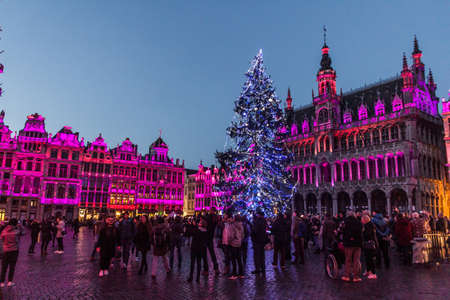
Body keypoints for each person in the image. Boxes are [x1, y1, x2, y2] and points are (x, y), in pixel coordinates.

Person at [341, 211, 362, 282]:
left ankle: (347, 276)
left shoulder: (345, 222)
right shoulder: (359, 222)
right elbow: (361, 232)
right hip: (358, 244)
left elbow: (342, 231)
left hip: (348, 244)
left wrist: (349, 237)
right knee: (356, 260)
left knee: (348, 259)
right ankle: (356, 277)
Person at [186, 218, 208, 282]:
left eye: (200, 223)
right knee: (199, 263)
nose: (199, 223)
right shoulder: (205, 231)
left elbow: (189, 233)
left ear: (201, 224)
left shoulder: (197, 230)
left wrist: (192, 225)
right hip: (201, 249)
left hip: (194, 248)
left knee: (192, 263)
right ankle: (197, 278)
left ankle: (191, 277)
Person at [0, 219, 20, 287]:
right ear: (16, 224)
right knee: (12, 267)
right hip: (14, 251)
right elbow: (24, 232)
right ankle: (9, 281)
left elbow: (1, 240)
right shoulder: (16, 231)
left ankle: (2, 282)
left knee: (3, 267)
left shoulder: (4, 231)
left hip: (5, 251)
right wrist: (20, 226)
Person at [251, 209, 268, 274]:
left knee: (257, 255)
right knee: (262, 255)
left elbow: (255, 231)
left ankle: (257, 269)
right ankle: (263, 268)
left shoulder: (257, 221)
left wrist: (252, 236)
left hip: (257, 240)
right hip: (262, 240)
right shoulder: (264, 221)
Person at [204, 208, 220, 274]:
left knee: (204, 254)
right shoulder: (215, 218)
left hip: (206, 237)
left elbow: (205, 225)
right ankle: (216, 269)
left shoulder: (208, 217)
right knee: (212, 254)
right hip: (211, 237)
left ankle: (206, 270)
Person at [362, 215, 378, 279]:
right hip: (370, 244)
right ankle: (368, 270)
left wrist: (363, 233)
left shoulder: (368, 226)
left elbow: (368, 235)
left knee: (370, 259)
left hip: (370, 244)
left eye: (362, 219)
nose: (361, 221)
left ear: (365, 220)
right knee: (367, 258)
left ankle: (373, 273)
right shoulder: (370, 225)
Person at [229, 215, 244, 279]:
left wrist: (229, 241)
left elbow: (232, 235)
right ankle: (241, 274)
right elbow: (243, 235)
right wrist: (240, 240)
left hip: (233, 243)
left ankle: (234, 274)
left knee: (233, 259)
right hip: (239, 243)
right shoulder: (241, 225)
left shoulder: (233, 225)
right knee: (239, 259)